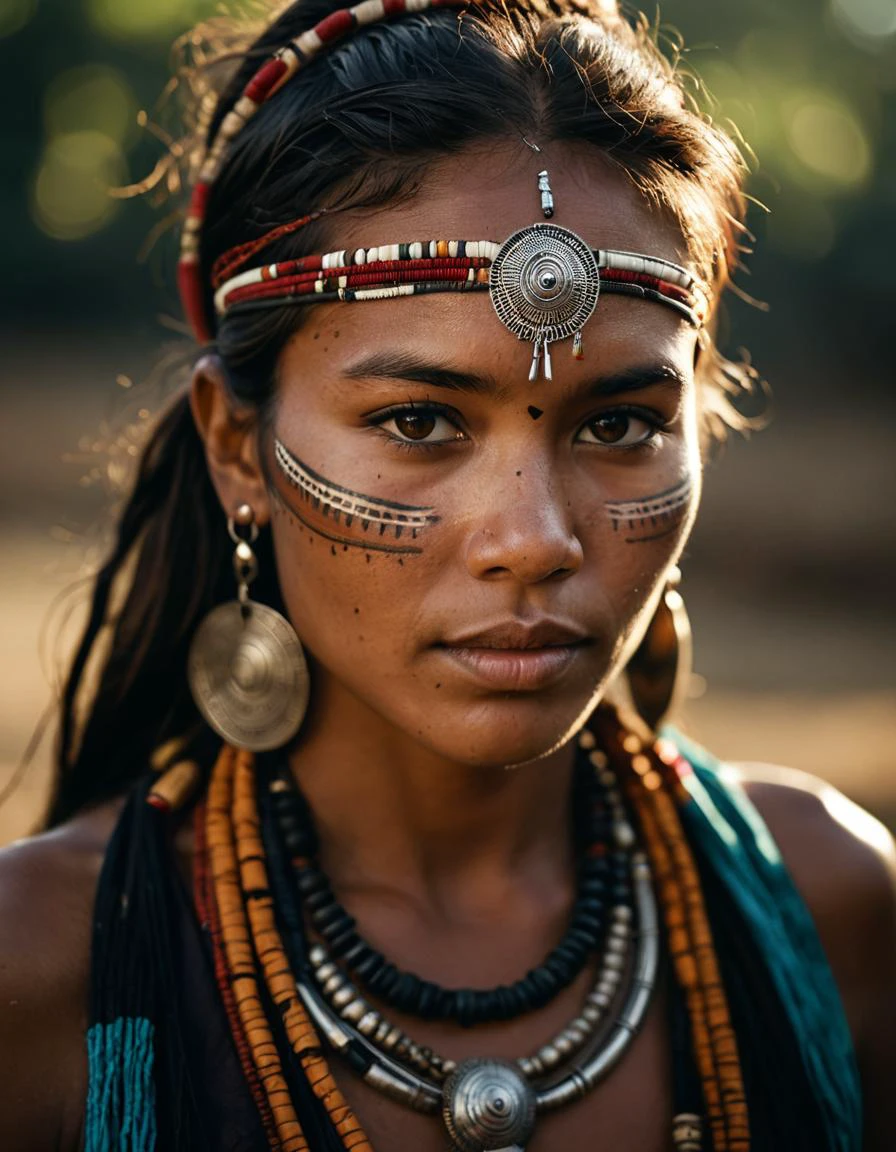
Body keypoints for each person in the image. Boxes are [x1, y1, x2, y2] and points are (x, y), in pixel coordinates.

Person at [1, 0, 893, 1148]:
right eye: (419, 420)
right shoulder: (47, 970)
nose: (532, 538)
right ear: (237, 447)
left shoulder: (829, 908)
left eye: (617, 424)